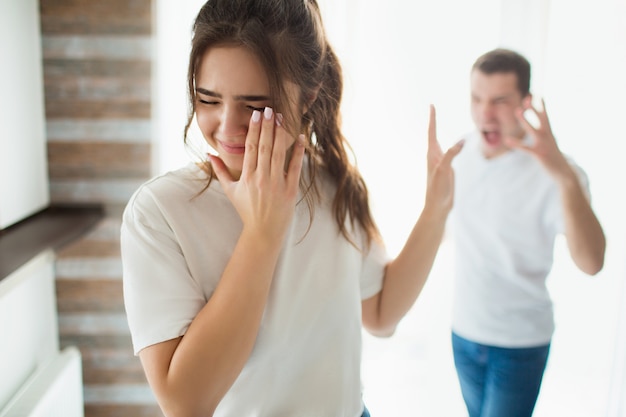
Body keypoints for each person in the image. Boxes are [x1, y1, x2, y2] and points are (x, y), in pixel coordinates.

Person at [120, 0, 463, 416]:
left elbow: (380, 312)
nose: (227, 128)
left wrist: (435, 211)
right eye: (208, 99)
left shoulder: (333, 184)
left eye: (253, 105)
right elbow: (185, 403)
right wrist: (263, 232)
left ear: (308, 97)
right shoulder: (160, 212)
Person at [449, 47, 606, 417]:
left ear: (526, 103)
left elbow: (592, 262)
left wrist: (563, 176)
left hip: (519, 343)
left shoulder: (561, 172)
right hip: (465, 332)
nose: (485, 113)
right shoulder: (461, 154)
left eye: (500, 101)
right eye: (477, 98)